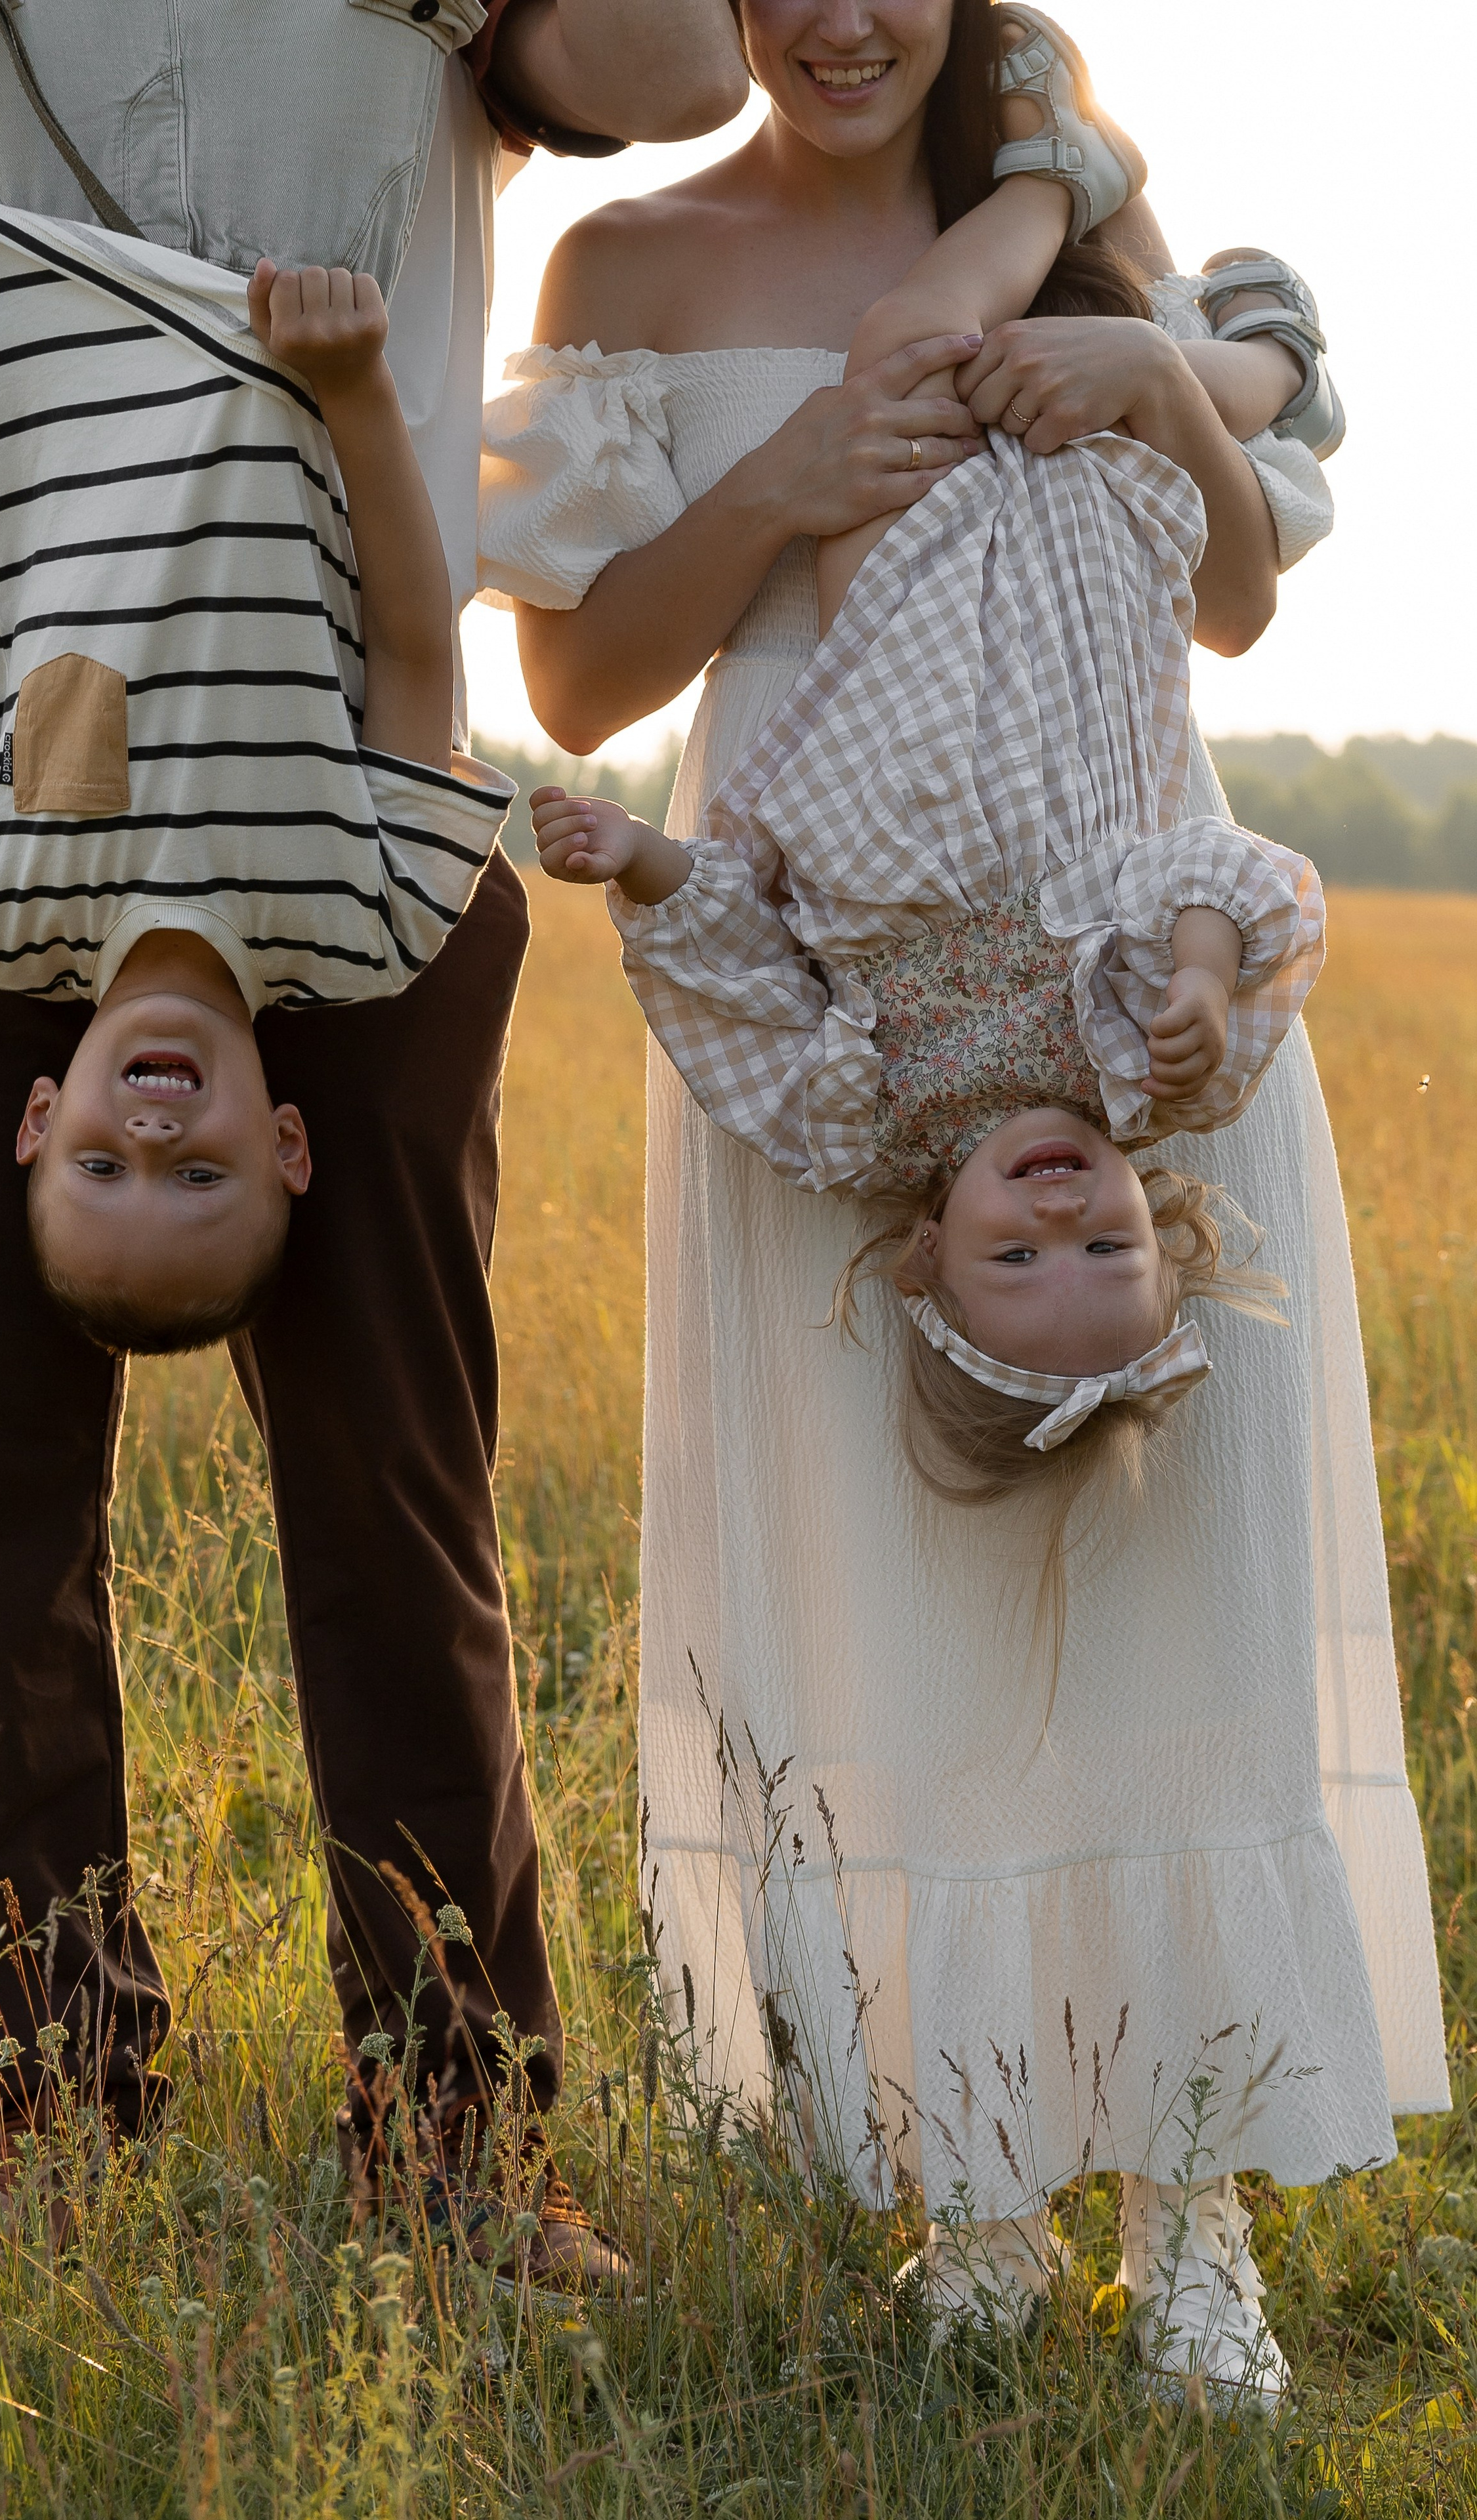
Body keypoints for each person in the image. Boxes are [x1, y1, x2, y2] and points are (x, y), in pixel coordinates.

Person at [481, 0, 1447, 2396]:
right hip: (821, 983)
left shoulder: (1080, 229)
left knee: (1168, 1588)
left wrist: (1139, 381)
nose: (835, 17)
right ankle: (979, 2189)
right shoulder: (619, 258)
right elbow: (584, 675)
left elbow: (1235, 606)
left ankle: (1196, 2201)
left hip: (1149, 953)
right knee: (886, 1587)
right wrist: (792, 478)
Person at [0, 0, 749, 2276]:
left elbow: (680, 67)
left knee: (397, 1483)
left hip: (362, 781)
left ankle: (457, 2139)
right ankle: (49, 2107)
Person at [0, 200, 514, 1354]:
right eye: (202, 1176)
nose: (153, 1136)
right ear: (288, 1146)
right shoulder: (376, 928)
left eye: (100, 1164)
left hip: (46, 305)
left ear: (40, 1120)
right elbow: (413, 652)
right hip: (287, 321)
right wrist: (356, 391)